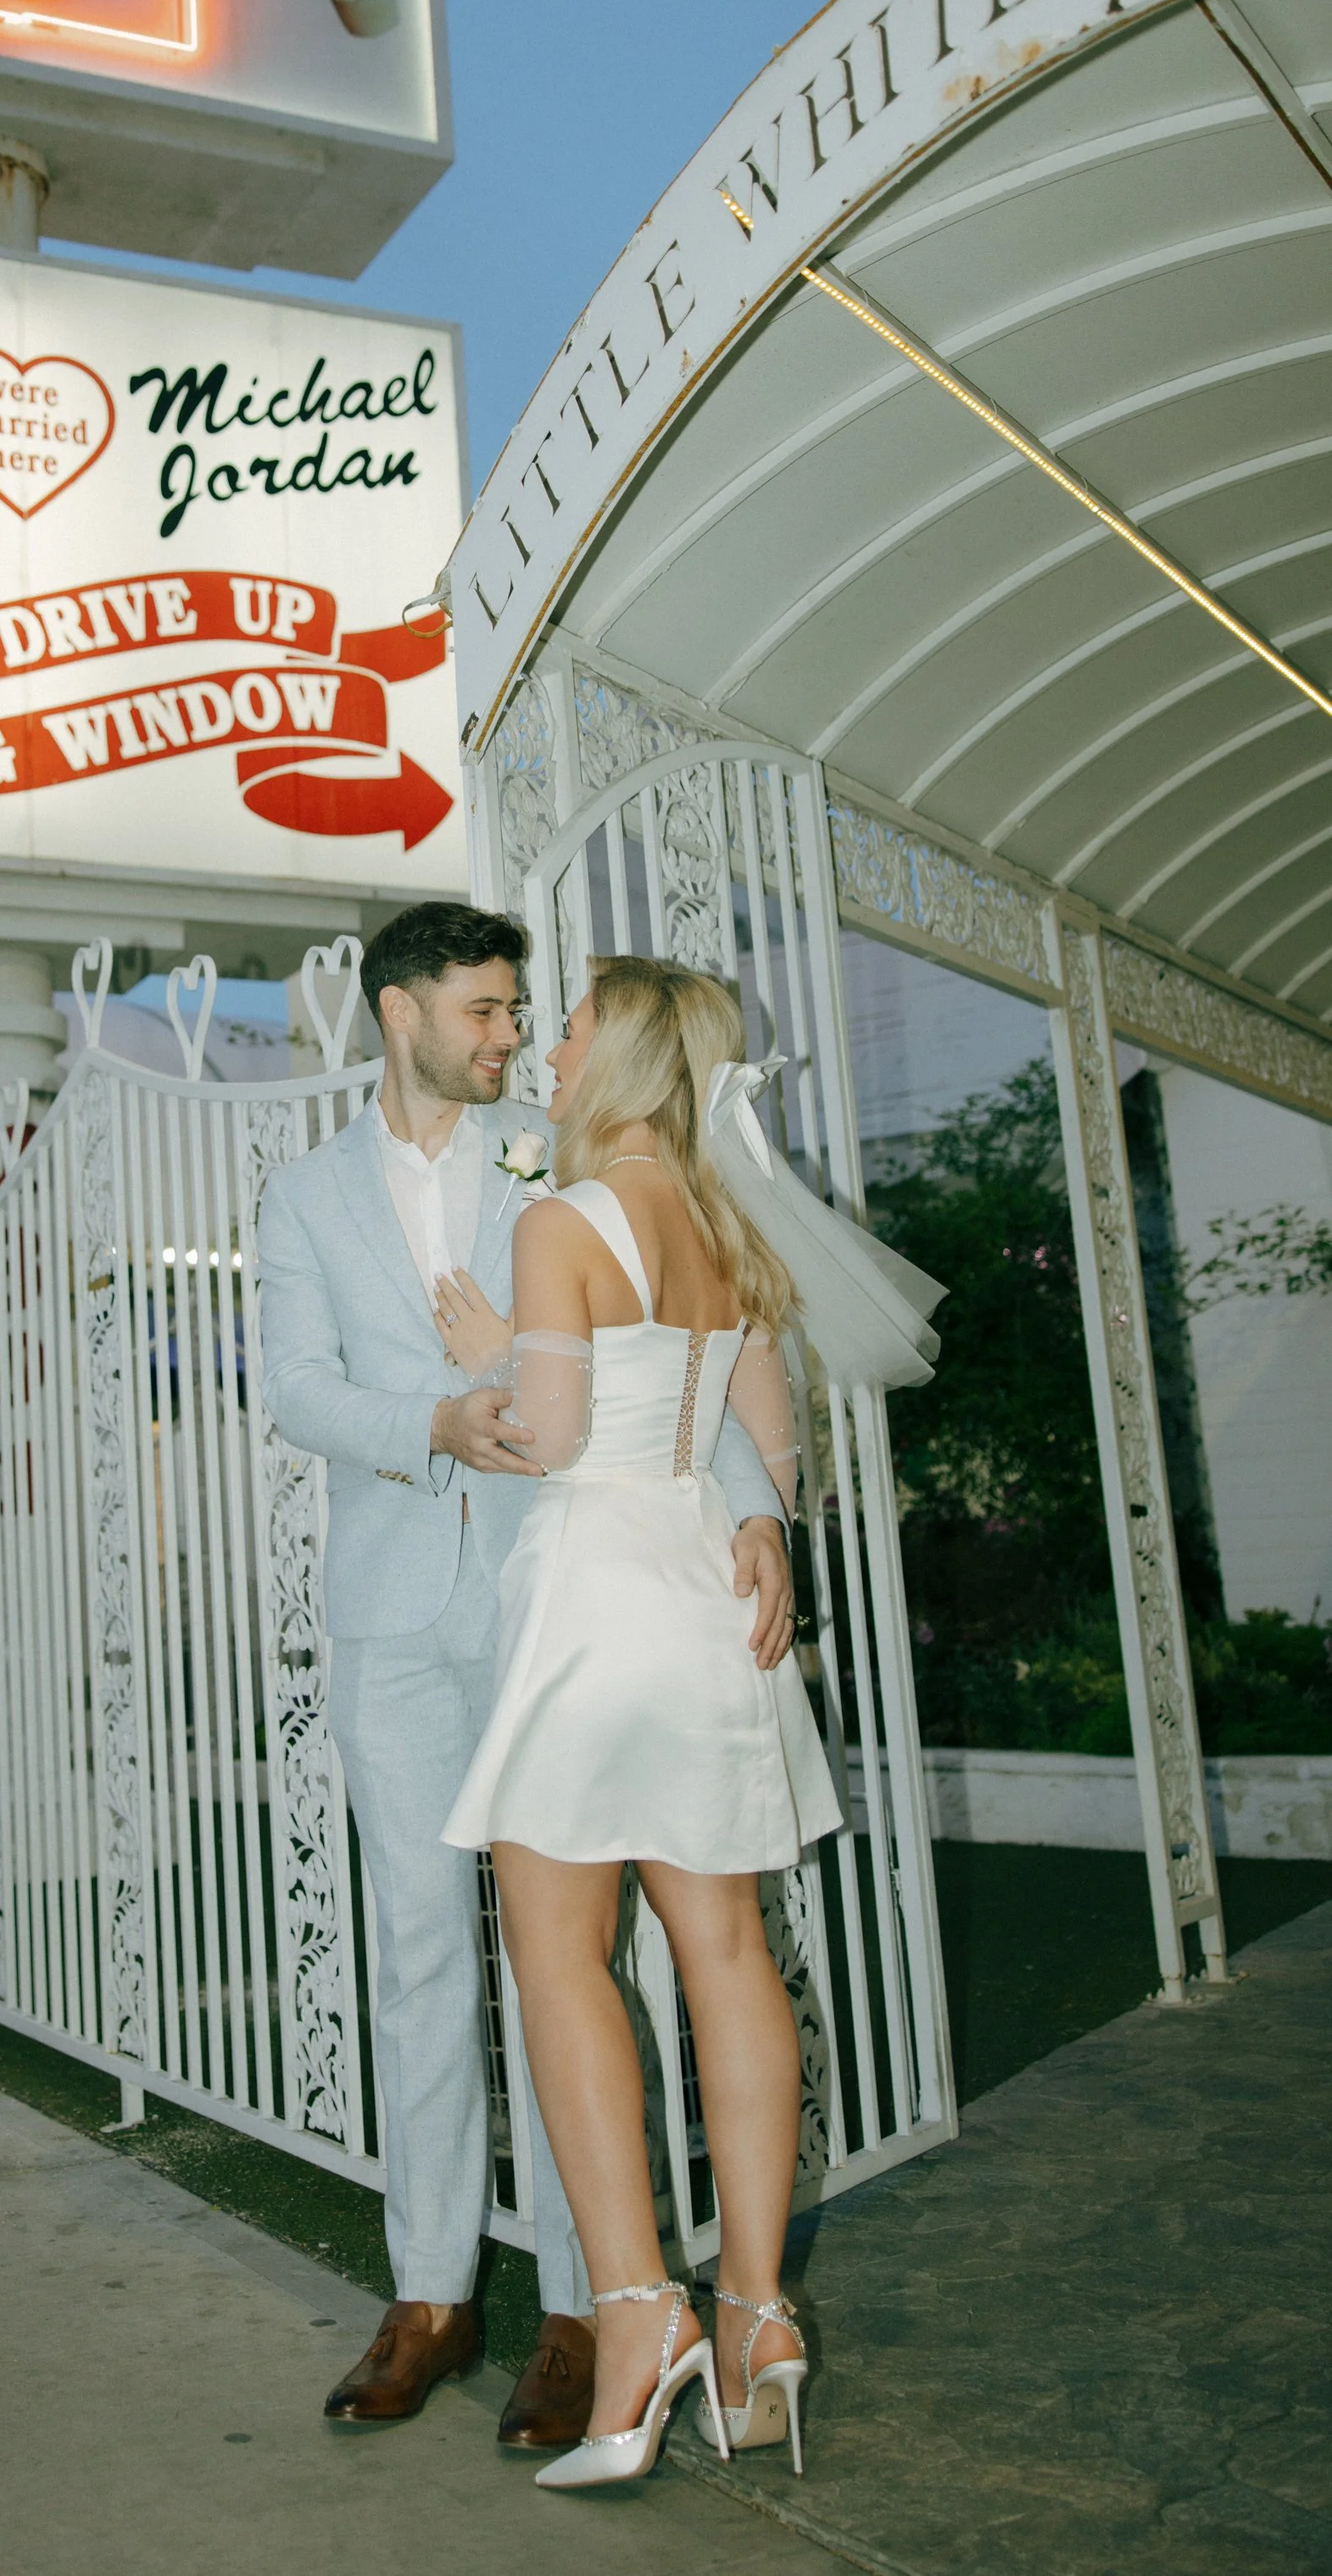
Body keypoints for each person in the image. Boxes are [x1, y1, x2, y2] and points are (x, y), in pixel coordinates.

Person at [256, 907, 792, 2448]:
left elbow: (673, 1364)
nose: (509, 1035)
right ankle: (430, 2291)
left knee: (569, 1956)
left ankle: (586, 2304)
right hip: (393, 1611)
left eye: (519, 1015)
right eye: (485, 1010)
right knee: (425, 1946)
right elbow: (293, 1384)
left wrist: (758, 1507)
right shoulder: (301, 1194)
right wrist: (434, 1421)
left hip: (559, 1606)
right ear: (402, 1008)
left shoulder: (558, 1171)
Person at [442, 954, 934, 2495]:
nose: (553, 1041)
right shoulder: (734, 1227)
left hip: (598, 1597)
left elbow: (558, 1434)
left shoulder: (561, 1222)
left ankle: (640, 2312)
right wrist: (768, 1529)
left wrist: (480, 1367)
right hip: (711, 1606)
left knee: (555, 1952)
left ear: (623, 1052)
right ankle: (760, 2315)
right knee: (725, 1950)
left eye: (570, 1021)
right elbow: (765, 1448)